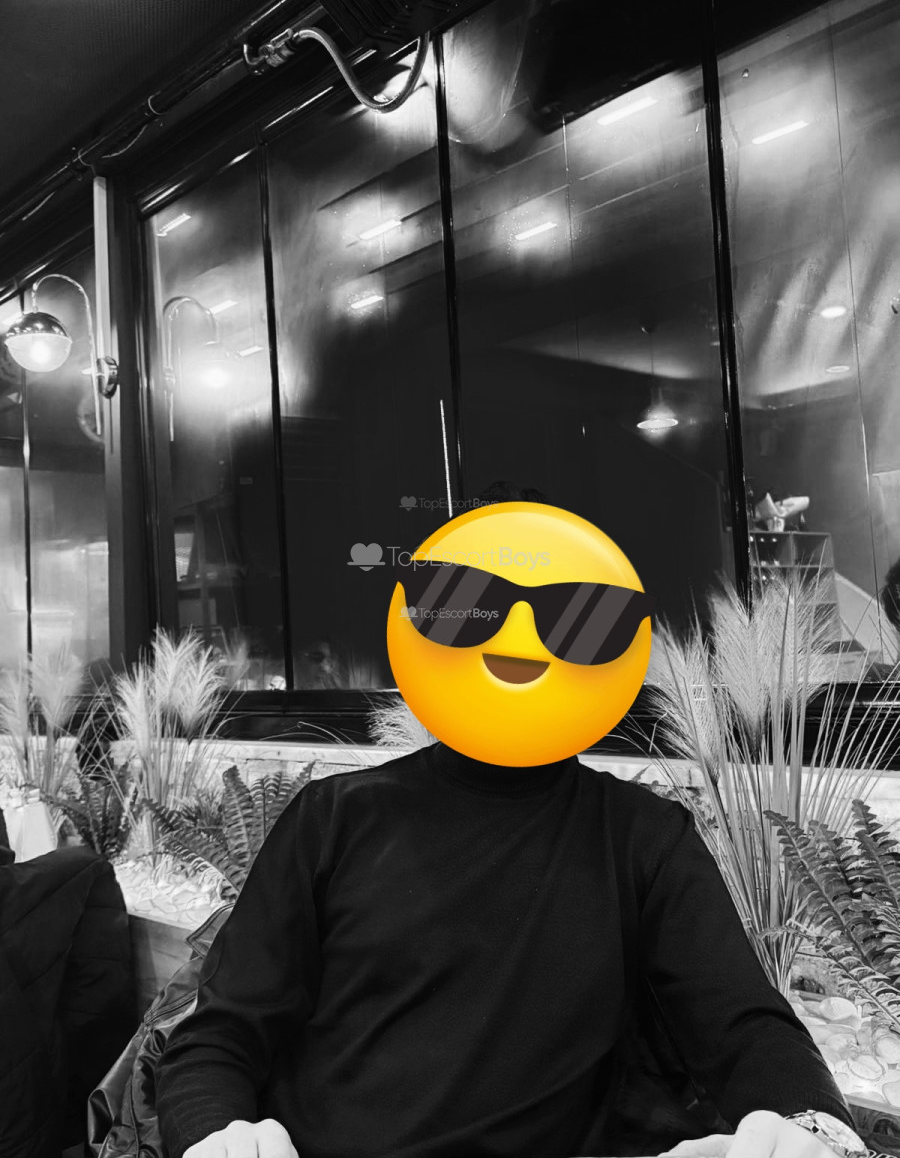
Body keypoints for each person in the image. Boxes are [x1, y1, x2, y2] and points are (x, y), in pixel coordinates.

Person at [156, 489, 867, 1158]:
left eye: (578, 616)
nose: (520, 633)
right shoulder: (332, 819)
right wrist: (217, 1137)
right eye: (469, 606)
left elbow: (743, 1023)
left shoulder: (645, 838)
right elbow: (218, 1037)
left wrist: (811, 1126)